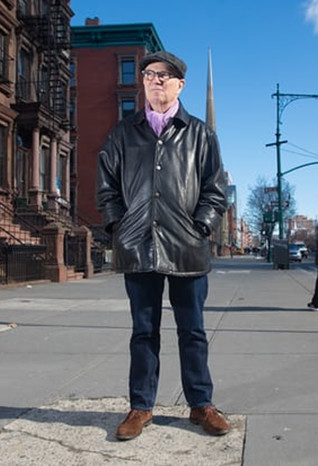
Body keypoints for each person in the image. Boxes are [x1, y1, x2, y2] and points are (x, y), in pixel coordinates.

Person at [96, 51, 230, 441]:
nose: (157, 80)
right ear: (143, 82)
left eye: (165, 75)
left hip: (187, 247)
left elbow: (215, 189)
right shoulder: (123, 133)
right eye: (150, 74)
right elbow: (106, 187)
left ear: (180, 85)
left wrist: (201, 226)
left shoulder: (201, 134)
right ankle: (141, 407)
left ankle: (201, 404)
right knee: (143, 332)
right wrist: (118, 226)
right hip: (138, 247)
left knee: (193, 331)